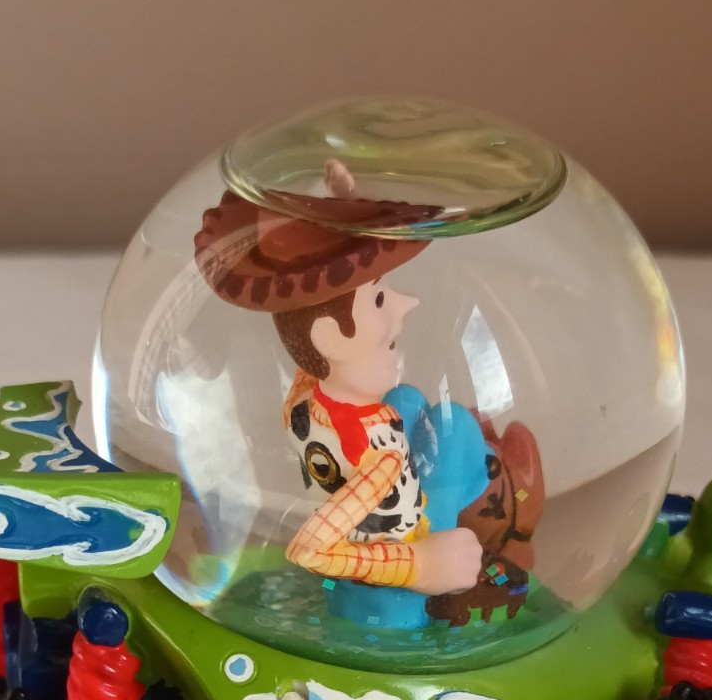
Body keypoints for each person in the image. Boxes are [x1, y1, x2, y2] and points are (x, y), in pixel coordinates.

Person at [195, 183, 538, 630]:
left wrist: (338, 210)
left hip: (359, 522)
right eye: (378, 298)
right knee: (454, 430)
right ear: (329, 338)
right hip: (397, 579)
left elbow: (305, 333)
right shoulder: (379, 460)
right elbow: (309, 550)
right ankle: (507, 518)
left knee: (407, 402)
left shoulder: (302, 400)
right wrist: (418, 565)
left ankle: (490, 499)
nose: (406, 305)